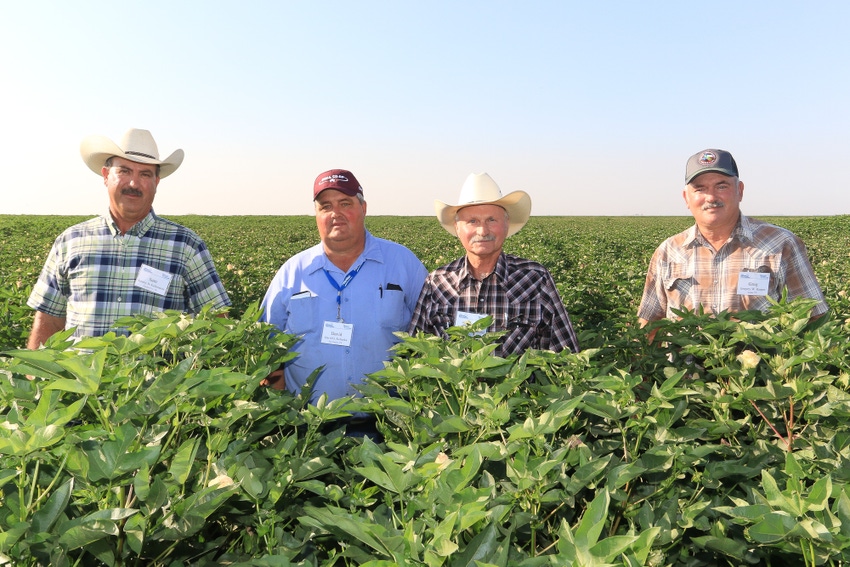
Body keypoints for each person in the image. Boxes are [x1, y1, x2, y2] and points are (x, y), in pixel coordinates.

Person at [27, 128, 232, 347]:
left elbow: (217, 322)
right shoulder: (70, 241)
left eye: (145, 174)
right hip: (80, 380)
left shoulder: (186, 245)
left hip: (156, 381)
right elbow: (49, 320)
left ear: (156, 182)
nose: (134, 184)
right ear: (106, 176)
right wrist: (35, 376)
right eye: (124, 171)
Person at [260, 169, 428, 405]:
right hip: (310, 425)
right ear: (316, 215)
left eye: (345, 203)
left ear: (363, 208)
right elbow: (266, 346)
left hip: (389, 422)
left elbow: (431, 335)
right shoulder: (292, 272)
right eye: (325, 206)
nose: (335, 214)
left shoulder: (403, 263)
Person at [638, 148, 827, 336]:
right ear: (686, 198)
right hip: (683, 366)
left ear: (740, 191)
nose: (711, 197)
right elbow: (649, 323)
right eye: (700, 189)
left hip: (761, 365)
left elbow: (813, 318)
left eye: (722, 186)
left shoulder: (780, 244)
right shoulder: (669, 251)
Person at [408, 172, 579, 356]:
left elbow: (566, 356)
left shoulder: (535, 279)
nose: (482, 230)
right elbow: (415, 353)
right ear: (458, 228)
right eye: (472, 221)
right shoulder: (437, 283)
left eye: (492, 220)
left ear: (506, 225)